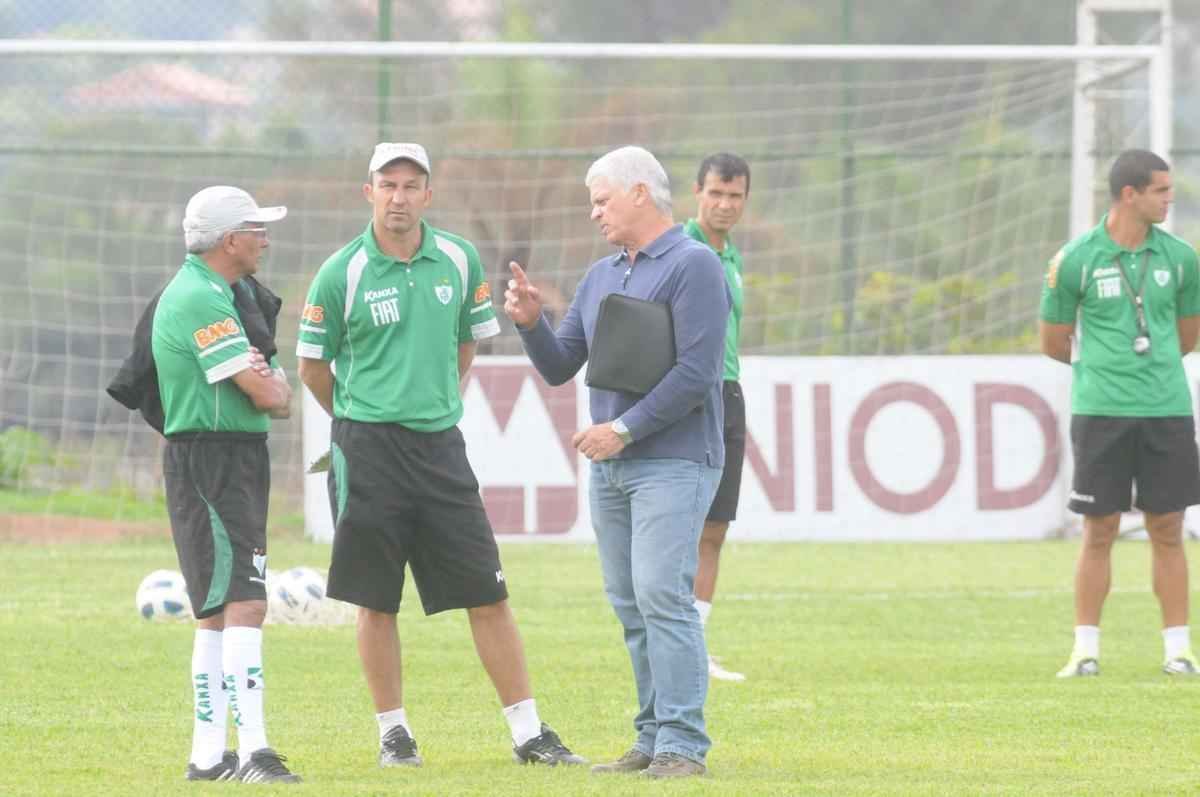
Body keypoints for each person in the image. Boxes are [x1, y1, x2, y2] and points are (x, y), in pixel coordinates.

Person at [295, 142, 583, 769]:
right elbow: (313, 368)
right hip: (366, 447)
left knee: (489, 591)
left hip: (440, 449)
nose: (399, 197)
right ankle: (393, 734)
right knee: (376, 599)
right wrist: (356, 420)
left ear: (429, 194)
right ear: (367, 192)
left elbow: (464, 347)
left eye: (411, 185)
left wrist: (430, 405)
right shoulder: (339, 272)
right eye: (387, 185)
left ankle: (529, 733)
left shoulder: (458, 258)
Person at [504, 145, 730, 779]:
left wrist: (622, 431)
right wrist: (530, 323)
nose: (593, 211)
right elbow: (558, 365)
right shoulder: (601, 275)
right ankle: (653, 737)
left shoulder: (695, 265)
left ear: (639, 193)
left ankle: (684, 745)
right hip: (613, 466)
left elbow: (697, 372)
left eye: (601, 199)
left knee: (663, 594)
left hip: (675, 460)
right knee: (631, 601)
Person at [151, 186, 299, 783]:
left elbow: (272, 391)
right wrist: (267, 382)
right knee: (245, 601)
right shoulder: (200, 299)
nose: (266, 237)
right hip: (213, 460)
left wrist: (268, 382)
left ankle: (210, 755)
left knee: (216, 608)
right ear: (230, 239)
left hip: (225, 457)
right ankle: (256, 752)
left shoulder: (221, 292)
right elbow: (270, 394)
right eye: (257, 228)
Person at [1040, 149, 1200, 678]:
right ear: (1129, 194)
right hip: (1101, 411)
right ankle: (1085, 650)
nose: (1169, 198)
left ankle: (1178, 651)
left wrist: (1149, 373)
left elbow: (1187, 335)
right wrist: (1106, 372)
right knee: (1100, 528)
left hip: (1166, 410)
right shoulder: (1075, 259)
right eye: (1160, 190)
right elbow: (1054, 341)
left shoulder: (1182, 258)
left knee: (1169, 527)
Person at [684, 152, 750, 682]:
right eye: (716, 194)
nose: (724, 205)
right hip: (692, 395)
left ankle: (696, 647)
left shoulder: (732, 257)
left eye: (735, 196)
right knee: (684, 524)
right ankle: (676, 643)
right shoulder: (682, 250)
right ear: (697, 193)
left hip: (729, 393)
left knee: (716, 527)